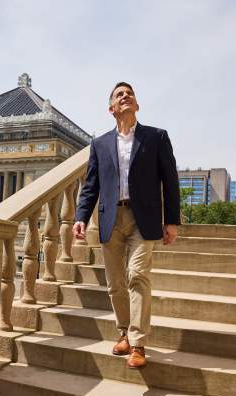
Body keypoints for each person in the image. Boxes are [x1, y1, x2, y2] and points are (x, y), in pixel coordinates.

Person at [73, 82, 180, 369]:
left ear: (137, 104)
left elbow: (170, 181)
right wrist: (81, 217)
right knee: (115, 284)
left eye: (129, 93)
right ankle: (123, 331)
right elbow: (91, 185)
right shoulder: (100, 144)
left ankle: (138, 343)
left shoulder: (156, 137)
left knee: (137, 275)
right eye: (119, 95)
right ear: (112, 109)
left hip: (142, 219)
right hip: (110, 218)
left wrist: (171, 221)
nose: (126, 96)